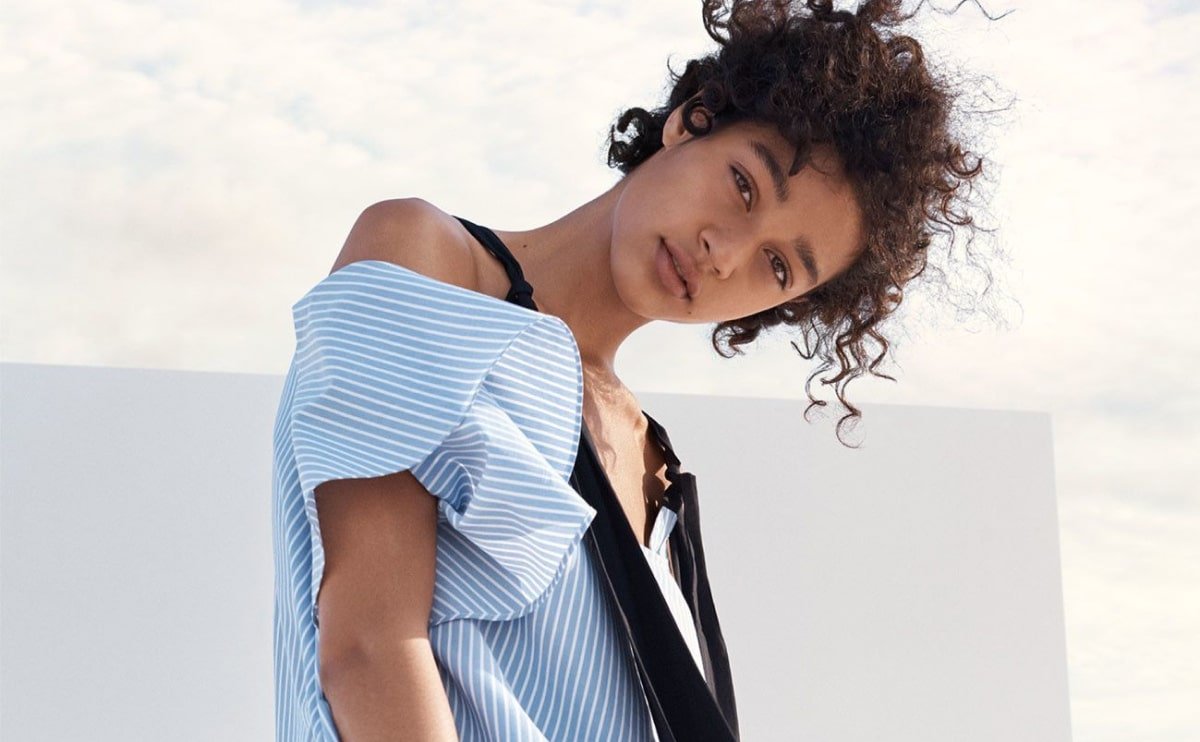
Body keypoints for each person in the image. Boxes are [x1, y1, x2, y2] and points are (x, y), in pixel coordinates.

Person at [272, 0, 1001, 739]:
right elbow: (367, 651)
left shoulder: (657, 469)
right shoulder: (429, 266)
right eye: (744, 186)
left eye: (779, 266)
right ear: (691, 120)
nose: (726, 254)